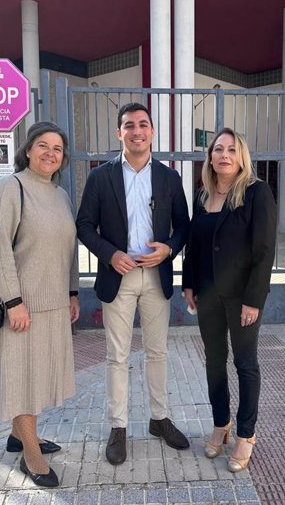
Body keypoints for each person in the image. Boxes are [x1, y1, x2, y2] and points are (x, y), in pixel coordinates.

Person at [76, 102, 190, 465]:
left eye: (143, 125)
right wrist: (110, 254)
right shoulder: (100, 176)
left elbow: (184, 226)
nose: (136, 131)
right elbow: (83, 226)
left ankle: (159, 419)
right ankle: (118, 427)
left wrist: (169, 249)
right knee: (117, 356)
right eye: (129, 125)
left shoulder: (169, 177)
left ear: (152, 132)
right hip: (118, 276)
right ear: (119, 133)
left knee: (157, 353)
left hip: (156, 276)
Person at [0, 121, 80, 488]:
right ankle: (30, 455)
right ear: (27, 150)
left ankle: (17, 434)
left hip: (53, 302)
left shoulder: (60, 195)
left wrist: (72, 292)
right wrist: (13, 301)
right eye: (43, 145)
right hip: (20, 305)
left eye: (57, 148)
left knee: (37, 375)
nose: (50, 153)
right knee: (21, 378)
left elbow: (69, 250)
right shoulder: (10, 188)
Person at [182, 128, 276, 472]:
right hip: (207, 295)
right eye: (218, 149)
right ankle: (221, 424)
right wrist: (188, 283)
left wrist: (254, 299)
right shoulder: (202, 196)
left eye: (231, 150)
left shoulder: (256, 193)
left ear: (241, 157)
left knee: (245, 363)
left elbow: (264, 251)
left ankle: (246, 434)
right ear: (210, 157)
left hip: (241, 298)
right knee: (213, 362)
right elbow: (194, 245)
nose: (224, 155)